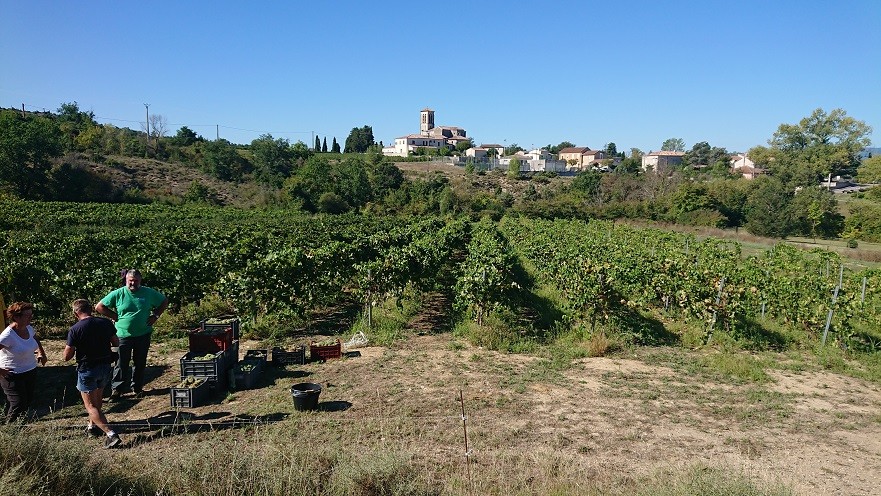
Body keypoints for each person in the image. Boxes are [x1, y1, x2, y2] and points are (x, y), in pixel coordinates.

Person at [96, 269, 168, 399]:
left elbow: (164, 301)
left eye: (136, 281)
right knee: (121, 362)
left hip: (143, 334)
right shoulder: (118, 293)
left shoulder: (148, 292)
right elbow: (99, 306)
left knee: (139, 362)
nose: (133, 283)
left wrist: (155, 315)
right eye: (130, 281)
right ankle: (117, 389)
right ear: (126, 280)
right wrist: (114, 316)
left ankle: (137, 387)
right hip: (122, 335)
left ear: (140, 281)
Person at [63, 299, 122, 448]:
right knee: (97, 400)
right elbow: (116, 342)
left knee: (90, 406)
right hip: (104, 366)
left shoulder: (75, 329)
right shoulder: (105, 323)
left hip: (87, 368)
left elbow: (67, 356)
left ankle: (110, 434)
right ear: (90, 309)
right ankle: (92, 427)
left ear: (76, 312)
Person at [0, 302, 48, 421]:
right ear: (16, 317)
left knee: (27, 401)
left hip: (29, 370)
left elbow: (35, 338)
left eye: (31, 315)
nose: (31, 318)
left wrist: (41, 352)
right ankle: (10, 429)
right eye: (27, 316)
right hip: (12, 374)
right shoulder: (7, 336)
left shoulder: (28, 328)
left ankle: (20, 425)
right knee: (18, 403)